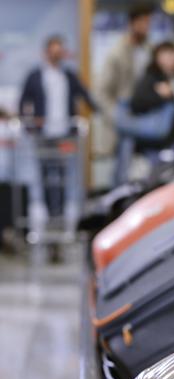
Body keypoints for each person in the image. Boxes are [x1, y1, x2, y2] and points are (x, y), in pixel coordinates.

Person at [19, 35, 96, 235]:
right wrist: (29, 125)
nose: (57, 55)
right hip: (43, 136)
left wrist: (102, 113)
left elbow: (85, 95)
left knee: (61, 177)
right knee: (45, 177)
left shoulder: (68, 75)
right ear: (46, 53)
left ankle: (59, 216)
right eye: (54, 51)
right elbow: (23, 101)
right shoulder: (35, 75)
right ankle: (49, 215)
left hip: (65, 135)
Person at [96, 3, 153, 183]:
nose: (146, 27)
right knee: (122, 170)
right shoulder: (117, 53)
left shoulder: (149, 51)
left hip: (146, 117)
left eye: (148, 23)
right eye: (143, 22)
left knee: (146, 170)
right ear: (132, 23)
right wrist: (116, 115)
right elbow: (101, 91)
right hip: (125, 117)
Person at [130, 41, 174, 151]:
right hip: (156, 142)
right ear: (158, 57)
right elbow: (137, 103)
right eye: (168, 54)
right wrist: (161, 96)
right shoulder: (152, 77)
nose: (173, 58)